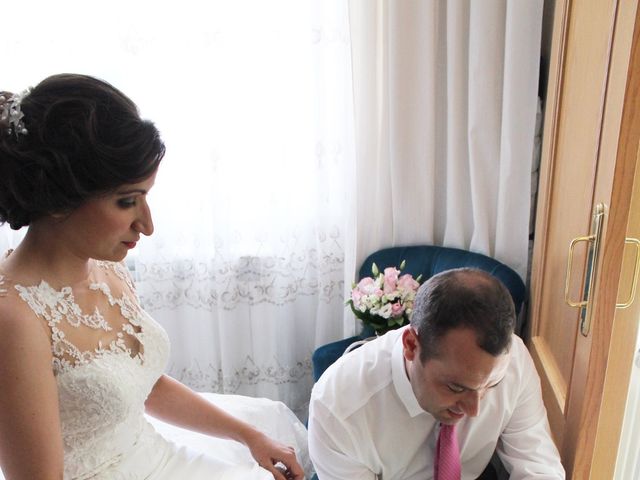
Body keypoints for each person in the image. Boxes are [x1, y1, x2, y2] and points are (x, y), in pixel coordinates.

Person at [0, 74, 307, 480]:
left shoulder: (108, 267)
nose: (147, 225)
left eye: (146, 197)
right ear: (59, 199)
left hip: (160, 458)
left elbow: (143, 385)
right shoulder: (14, 319)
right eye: (127, 201)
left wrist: (248, 436)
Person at [308, 268, 565, 479]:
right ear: (411, 345)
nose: (474, 410)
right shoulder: (338, 408)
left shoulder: (515, 361)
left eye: (491, 385)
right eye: (456, 387)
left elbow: (540, 467)